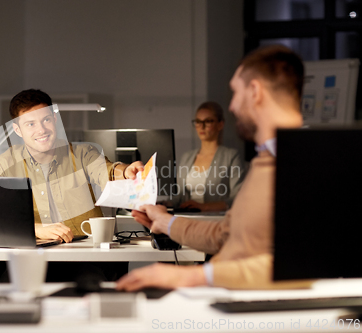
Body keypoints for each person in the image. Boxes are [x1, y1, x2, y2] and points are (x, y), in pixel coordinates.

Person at [116, 45, 312, 290]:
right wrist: (164, 222)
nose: (232, 106)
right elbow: (226, 235)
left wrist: (193, 277)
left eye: (235, 93)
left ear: (255, 91)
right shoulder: (266, 160)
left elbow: (300, 264)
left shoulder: (309, 162)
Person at [0, 89, 143, 282]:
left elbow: (108, 170)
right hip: (30, 259)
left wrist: (126, 171)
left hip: (83, 259)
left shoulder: (83, 153)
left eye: (46, 120)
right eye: (30, 124)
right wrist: (33, 229)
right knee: (11, 287)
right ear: (18, 130)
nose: (41, 130)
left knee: (88, 284)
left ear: (54, 119)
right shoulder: (4, 164)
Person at [175, 101, 246, 212]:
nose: (202, 127)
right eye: (198, 121)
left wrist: (204, 207)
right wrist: (163, 203)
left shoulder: (230, 156)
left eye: (208, 121)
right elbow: (178, 197)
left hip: (216, 221)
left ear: (220, 124)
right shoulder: (187, 157)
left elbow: (237, 197)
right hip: (188, 219)